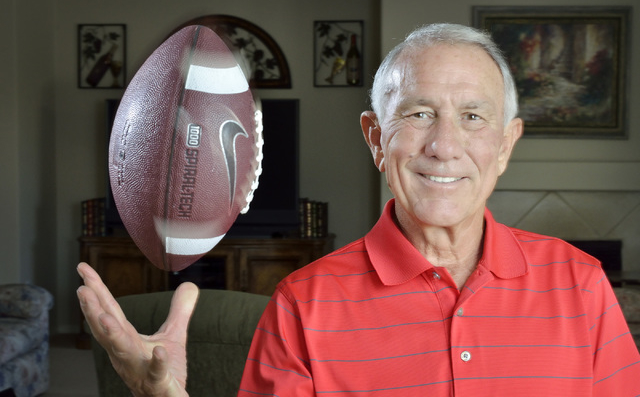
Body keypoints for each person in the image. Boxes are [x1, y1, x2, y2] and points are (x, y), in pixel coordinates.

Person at [77, 23, 640, 396]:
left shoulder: (582, 286)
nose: (444, 145)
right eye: (418, 113)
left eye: (473, 117)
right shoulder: (302, 304)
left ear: (506, 145)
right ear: (375, 138)